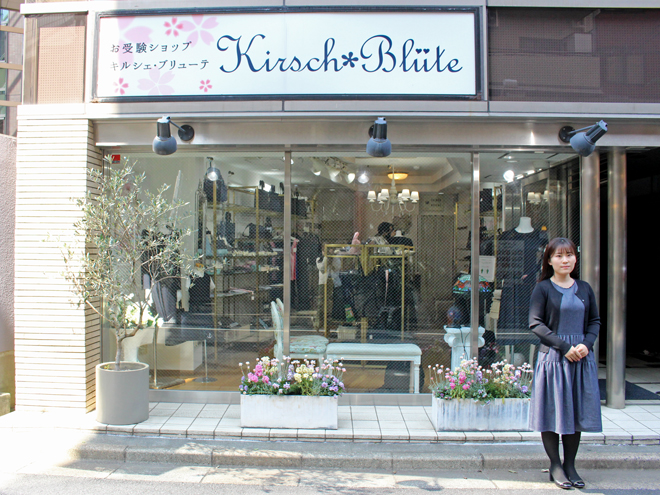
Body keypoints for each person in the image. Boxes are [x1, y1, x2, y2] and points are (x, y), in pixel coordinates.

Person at [528, 237, 601, 490]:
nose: (565, 260)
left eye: (569, 255)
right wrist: (565, 347)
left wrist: (586, 344)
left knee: (574, 412)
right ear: (549, 260)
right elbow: (536, 323)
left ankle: (570, 465)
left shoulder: (584, 288)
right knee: (552, 412)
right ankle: (555, 465)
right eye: (559, 256)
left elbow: (594, 321)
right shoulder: (543, 288)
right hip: (553, 359)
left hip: (580, 359)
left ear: (575, 258)